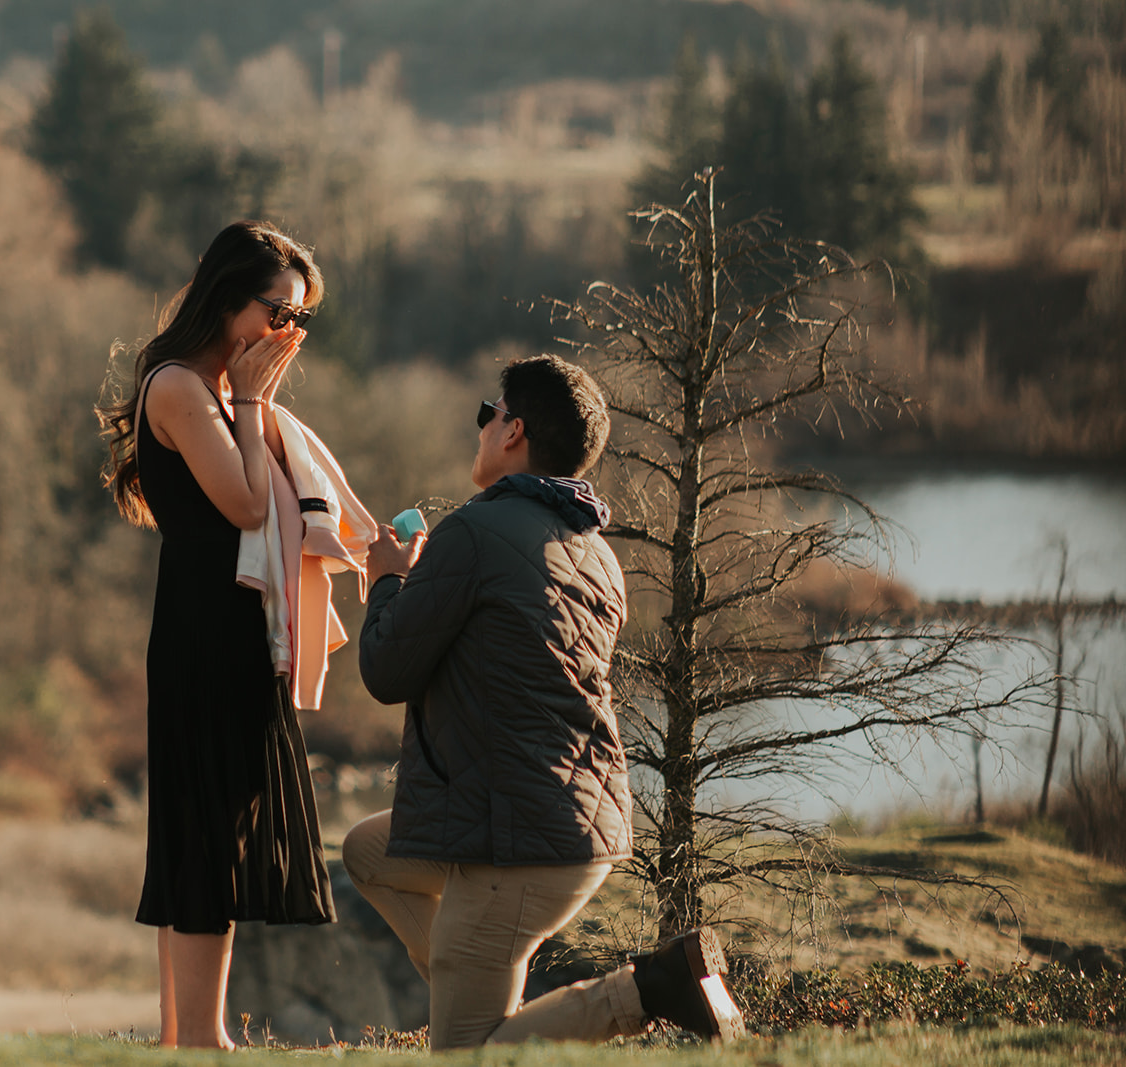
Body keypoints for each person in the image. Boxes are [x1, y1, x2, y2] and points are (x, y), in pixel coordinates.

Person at [343, 354, 746, 1050]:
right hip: (575, 824)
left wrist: (386, 581)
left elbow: (386, 670)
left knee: (468, 1055)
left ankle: (651, 988)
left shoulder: (473, 533)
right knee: (368, 850)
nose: (479, 429)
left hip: (516, 841)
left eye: (486, 415)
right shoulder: (595, 554)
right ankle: (469, 976)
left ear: (514, 431)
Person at [97, 221, 339, 1049]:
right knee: (207, 834)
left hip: (225, 629)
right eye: (278, 311)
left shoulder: (218, 392)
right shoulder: (181, 390)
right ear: (226, 296)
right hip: (207, 633)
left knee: (208, 829)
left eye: (299, 320)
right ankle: (203, 1036)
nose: (287, 334)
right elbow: (243, 506)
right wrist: (253, 402)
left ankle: (184, 1035)